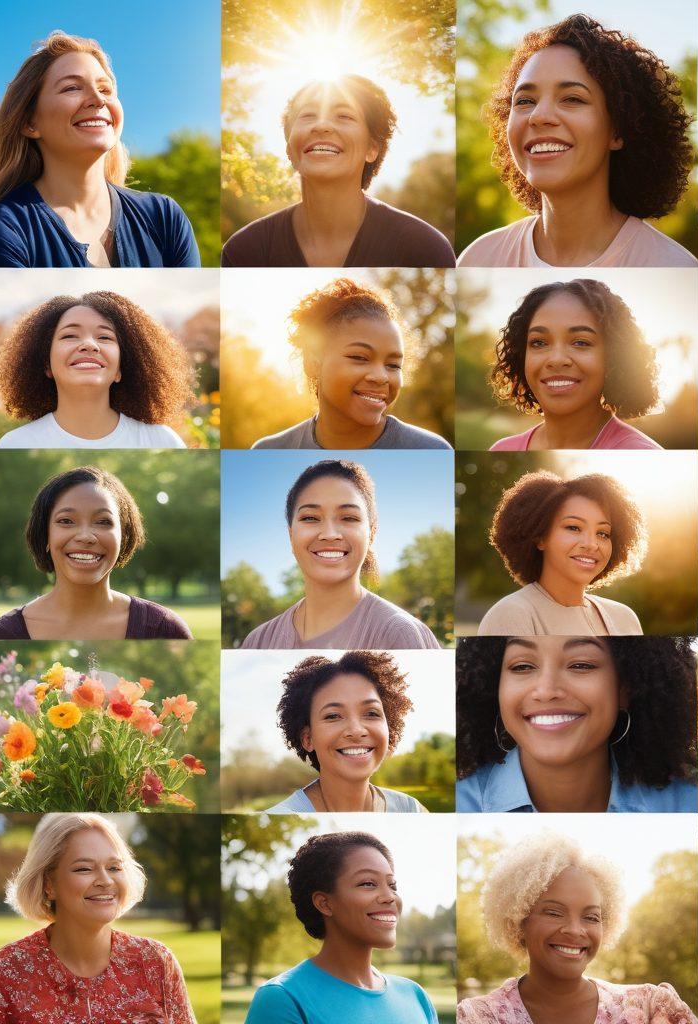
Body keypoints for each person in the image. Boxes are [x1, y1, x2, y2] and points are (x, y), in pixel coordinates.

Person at [458, 14, 696, 268]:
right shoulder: (478, 259)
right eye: (525, 101)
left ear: (618, 131)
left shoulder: (672, 265)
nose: (539, 116)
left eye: (572, 99)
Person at [0, 32, 200, 268]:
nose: (97, 99)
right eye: (72, 88)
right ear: (29, 123)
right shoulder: (2, 227)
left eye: (106, 90)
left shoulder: (165, 217)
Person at [0, 812, 196, 1024]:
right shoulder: (1, 975)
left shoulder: (155, 962)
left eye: (114, 868)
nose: (106, 880)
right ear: (49, 884)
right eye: (84, 868)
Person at [457, 832, 698, 1023]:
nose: (575, 930)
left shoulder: (651, 1009)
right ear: (519, 920)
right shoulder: (477, 1017)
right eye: (553, 912)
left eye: (591, 917)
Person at [222, 75, 454, 268]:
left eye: (344, 115)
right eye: (308, 115)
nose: (321, 126)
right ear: (290, 149)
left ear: (372, 148)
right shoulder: (246, 250)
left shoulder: (422, 248)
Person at [456, 635, 697, 812]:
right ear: (493, 687)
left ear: (625, 687)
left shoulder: (687, 802)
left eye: (581, 665)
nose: (546, 691)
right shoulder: (461, 803)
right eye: (522, 666)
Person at [239, 459, 440, 649]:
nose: (329, 534)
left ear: (372, 533)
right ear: (291, 534)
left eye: (349, 518)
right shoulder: (258, 641)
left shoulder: (399, 633)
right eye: (310, 518)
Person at [0, 466, 192, 640]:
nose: (86, 536)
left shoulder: (164, 629)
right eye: (66, 521)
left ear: (123, 535)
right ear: (45, 534)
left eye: (103, 521)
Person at [244, 832, 438, 1024]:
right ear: (325, 903)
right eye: (368, 883)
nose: (390, 897)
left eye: (392, 885)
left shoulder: (415, 996)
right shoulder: (283, 999)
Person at [251, 278, 450, 450]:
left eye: (393, 365)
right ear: (312, 363)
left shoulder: (433, 450)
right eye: (360, 358)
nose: (381, 377)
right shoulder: (267, 450)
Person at [0, 291, 193, 448]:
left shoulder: (161, 441)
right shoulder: (15, 443)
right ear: (46, 364)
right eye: (70, 336)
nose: (88, 344)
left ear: (121, 368)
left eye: (104, 337)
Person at [488, 279, 662, 451]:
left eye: (580, 342)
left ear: (613, 357)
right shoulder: (501, 448)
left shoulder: (640, 450)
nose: (556, 359)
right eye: (539, 343)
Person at [478, 471, 647, 635]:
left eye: (602, 533)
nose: (591, 544)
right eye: (573, 528)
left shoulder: (624, 618)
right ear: (540, 537)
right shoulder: (511, 614)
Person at [266, 651, 428, 812]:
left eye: (371, 713)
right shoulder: (283, 813)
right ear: (308, 738)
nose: (356, 731)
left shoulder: (412, 809)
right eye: (333, 716)